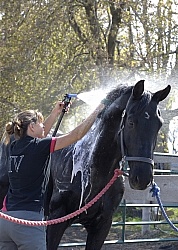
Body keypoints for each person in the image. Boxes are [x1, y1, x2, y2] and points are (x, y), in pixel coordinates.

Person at [0, 100, 105, 250]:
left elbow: (39, 135)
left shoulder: (14, 145)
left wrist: (56, 113)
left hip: (5, 222)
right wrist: (98, 109)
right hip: (28, 222)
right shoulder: (39, 146)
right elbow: (76, 135)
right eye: (40, 124)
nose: (44, 127)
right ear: (31, 126)